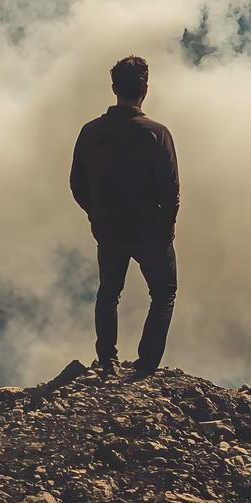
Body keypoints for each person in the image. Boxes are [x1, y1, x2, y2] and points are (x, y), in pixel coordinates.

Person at [69, 55, 179, 381]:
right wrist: (165, 230)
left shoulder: (90, 132)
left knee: (109, 293)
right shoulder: (157, 134)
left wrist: (96, 215)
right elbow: (171, 191)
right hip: (150, 231)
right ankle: (146, 366)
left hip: (110, 229)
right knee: (163, 294)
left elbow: (77, 184)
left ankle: (107, 362)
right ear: (145, 89)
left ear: (114, 88)